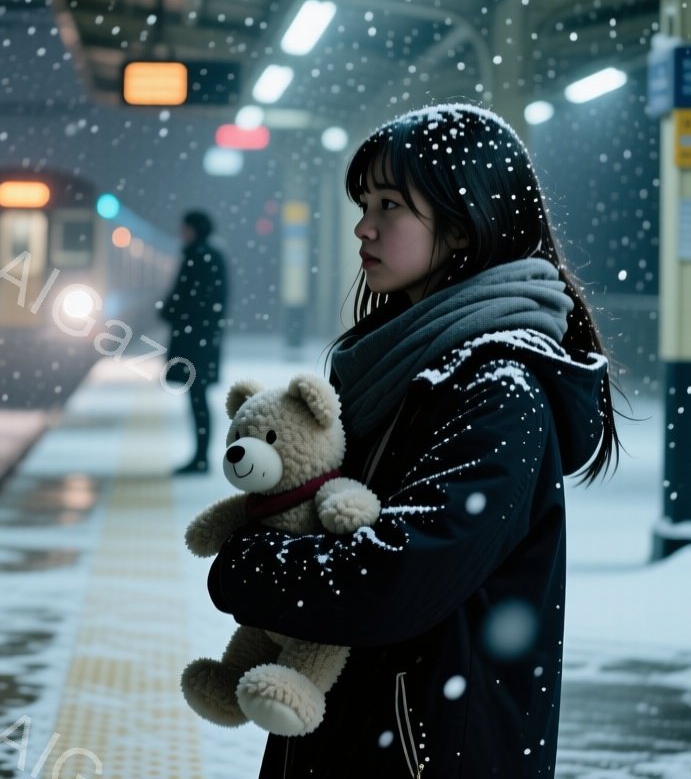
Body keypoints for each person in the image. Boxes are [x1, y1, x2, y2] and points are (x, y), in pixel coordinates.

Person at [206, 103, 623, 776]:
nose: (363, 225)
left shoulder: (499, 391)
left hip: (425, 752)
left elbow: (391, 578)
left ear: (462, 230)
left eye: (391, 205)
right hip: (362, 739)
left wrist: (247, 564)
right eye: (364, 201)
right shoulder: (403, 367)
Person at [159, 209, 229, 475]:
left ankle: (200, 458)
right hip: (202, 342)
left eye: (185, 228)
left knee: (197, 399)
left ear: (195, 229)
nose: (181, 233)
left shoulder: (198, 257)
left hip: (194, 343)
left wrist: (169, 311)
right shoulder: (210, 256)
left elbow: (187, 299)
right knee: (197, 398)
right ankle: (199, 456)